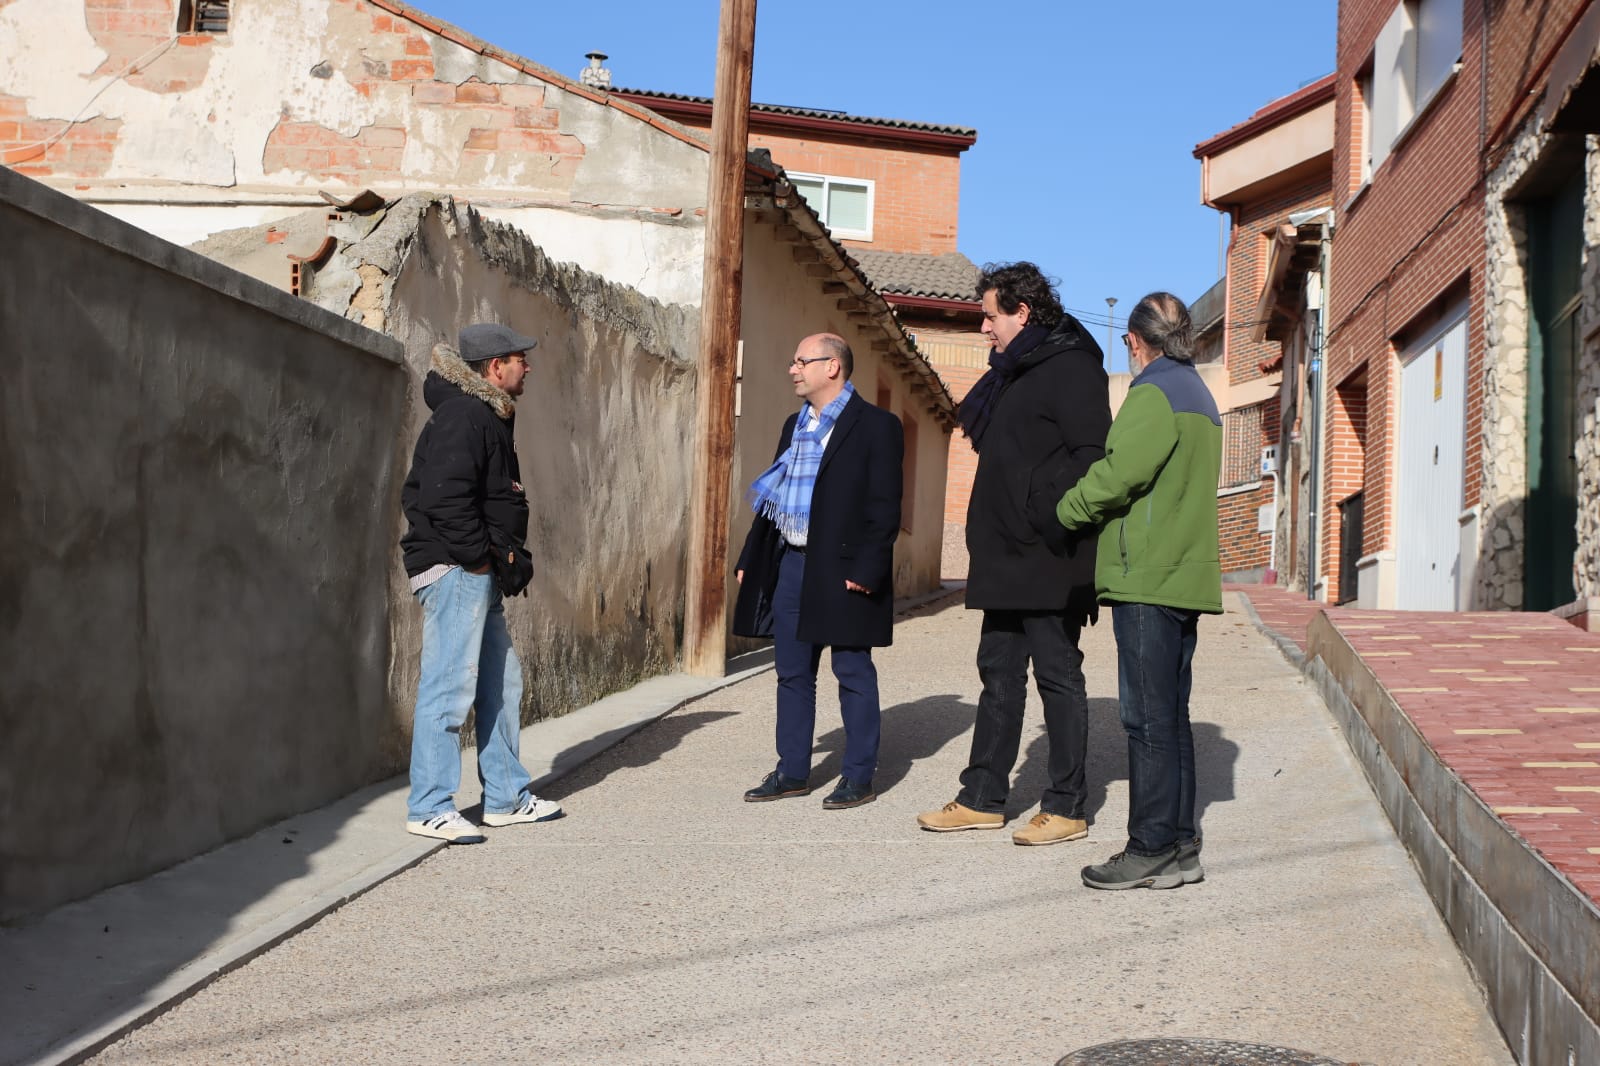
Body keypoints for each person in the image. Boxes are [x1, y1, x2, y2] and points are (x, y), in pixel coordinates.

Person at [916, 262, 1111, 845]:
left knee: (1057, 677)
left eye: (989, 316)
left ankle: (1067, 807)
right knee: (997, 676)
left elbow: (1090, 455)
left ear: (1022, 313)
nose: (983, 328)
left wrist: (1039, 510)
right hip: (1004, 554)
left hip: (1049, 554)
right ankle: (982, 798)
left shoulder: (1072, 367)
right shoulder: (1014, 372)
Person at [1051, 292, 1222, 889]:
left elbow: (1119, 474)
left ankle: (1149, 847)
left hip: (1148, 576)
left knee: (1146, 719)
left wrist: (1065, 511)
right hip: (1182, 574)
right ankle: (1180, 846)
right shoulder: (1199, 393)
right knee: (1171, 716)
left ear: (1134, 340)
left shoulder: (1153, 393)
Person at [399, 322, 565, 843]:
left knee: (501, 681)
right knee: (449, 687)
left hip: (474, 571)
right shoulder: (466, 415)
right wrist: (475, 560)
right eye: (519, 359)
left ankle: (505, 798)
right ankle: (429, 806)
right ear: (495, 367)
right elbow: (441, 498)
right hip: (456, 571)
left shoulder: (486, 414)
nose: (527, 367)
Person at [733, 333, 904, 810]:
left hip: (844, 568)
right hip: (792, 563)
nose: (793, 369)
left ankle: (858, 776)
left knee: (851, 670)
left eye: (801, 361)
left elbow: (885, 506)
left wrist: (868, 568)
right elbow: (775, 496)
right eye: (794, 361)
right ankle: (791, 772)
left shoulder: (877, 426)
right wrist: (751, 557)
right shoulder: (795, 425)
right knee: (791, 672)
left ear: (833, 367)